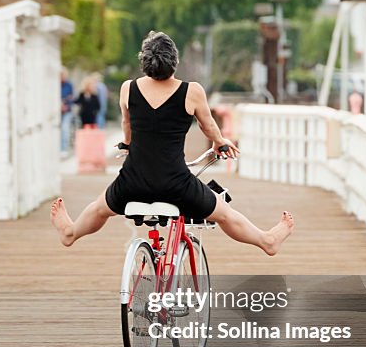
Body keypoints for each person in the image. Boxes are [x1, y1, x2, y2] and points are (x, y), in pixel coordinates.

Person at [50, 31, 294, 256]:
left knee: (99, 208)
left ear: (144, 61)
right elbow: (207, 126)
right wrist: (220, 142)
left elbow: (128, 127)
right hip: (176, 184)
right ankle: (266, 241)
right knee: (224, 213)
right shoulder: (192, 91)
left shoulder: (128, 89)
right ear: (174, 61)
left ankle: (70, 233)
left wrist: (126, 144)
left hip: (132, 183)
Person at [60, 69, 75, 153]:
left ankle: (64, 148)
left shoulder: (69, 85)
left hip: (67, 110)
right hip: (58, 110)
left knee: (65, 129)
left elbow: (71, 97)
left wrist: (66, 105)